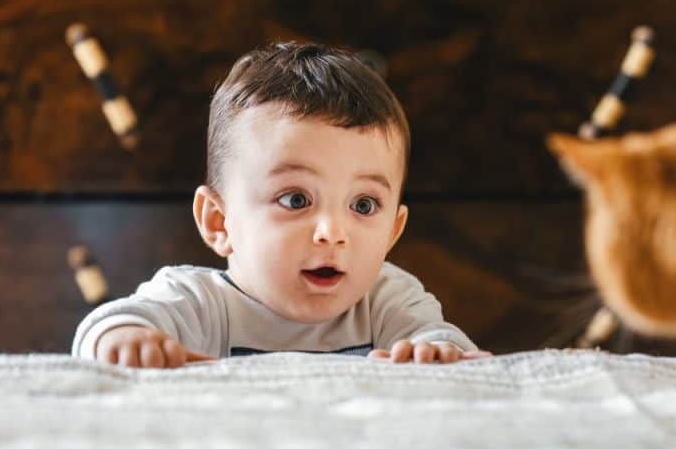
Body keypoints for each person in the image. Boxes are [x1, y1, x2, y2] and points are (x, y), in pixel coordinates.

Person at [72, 42, 490, 368]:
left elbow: (442, 342)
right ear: (220, 221)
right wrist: (125, 340)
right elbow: (105, 328)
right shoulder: (198, 303)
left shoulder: (388, 301)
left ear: (392, 233)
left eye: (363, 205)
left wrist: (436, 356)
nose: (333, 231)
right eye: (296, 199)